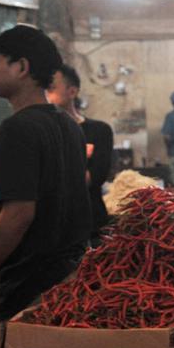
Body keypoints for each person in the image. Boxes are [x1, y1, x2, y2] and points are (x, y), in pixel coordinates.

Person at [0, 24, 92, 323]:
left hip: (27, 291)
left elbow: (18, 215)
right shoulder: (70, 127)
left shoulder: (16, 129)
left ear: (21, 67)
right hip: (69, 284)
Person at [46, 64, 113, 240]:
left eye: (52, 88)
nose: (47, 94)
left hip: (91, 222)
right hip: (54, 226)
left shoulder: (99, 130)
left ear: (72, 91)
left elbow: (96, 176)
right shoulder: (43, 133)